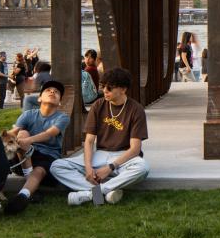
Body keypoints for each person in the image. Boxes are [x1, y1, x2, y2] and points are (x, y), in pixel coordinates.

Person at [50, 67, 149, 207]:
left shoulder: (136, 109)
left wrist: (110, 167)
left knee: (143, 168)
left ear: (123, 89)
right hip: (101, 154)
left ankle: (92, 194)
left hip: (124, 156)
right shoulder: (98, 105)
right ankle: (106, 192)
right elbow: (89, 141)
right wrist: (89, 167)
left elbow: (135, 149)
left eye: (109, 88)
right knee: (56, 165)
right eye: (103, 86)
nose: (104, 91)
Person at [2, 79, 70, 215]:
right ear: (39, 98)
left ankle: (23, 196)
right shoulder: (28, 114)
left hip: (47, 157)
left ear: (60, 102)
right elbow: (13, 133)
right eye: (48, 90)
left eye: (56, 92)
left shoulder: (62, 117)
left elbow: (50, 134)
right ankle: (31, 187)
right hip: (22, 159)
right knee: (22, 132)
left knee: (38, 171)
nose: (52, 92)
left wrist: (28, 140)